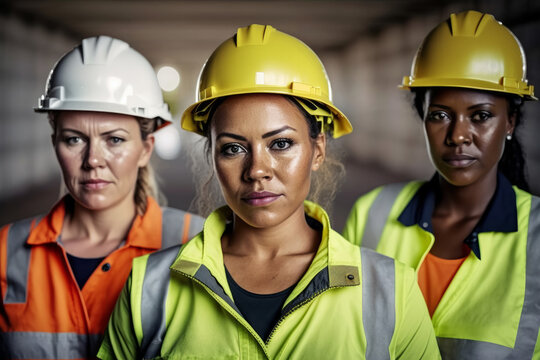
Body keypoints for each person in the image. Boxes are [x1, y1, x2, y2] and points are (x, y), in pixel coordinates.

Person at [98, 24, 440, 359]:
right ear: (212, 155)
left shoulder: (391, 289)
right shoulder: (149, 286)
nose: (257, 170)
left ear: (317, 149)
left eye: (280, 143)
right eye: (233, 148)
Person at [343, 10, 540, 358]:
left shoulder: (536, 234)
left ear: (510, 122)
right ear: (422, 118)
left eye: (480, 116)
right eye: (441, 115)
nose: (458, 135)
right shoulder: (372, 212)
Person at [0, 36, 204, 359]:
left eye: (114, 140)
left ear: (145, 149)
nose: (93, 159)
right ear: (55, 143)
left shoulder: (198, 244)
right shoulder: (6, 250)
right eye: (74, 139)